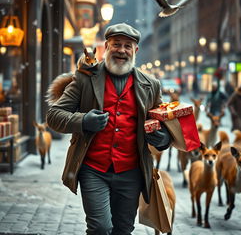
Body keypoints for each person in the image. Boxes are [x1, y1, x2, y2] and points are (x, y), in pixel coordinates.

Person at [46, 23, 172, 235]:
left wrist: (162, 138)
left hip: (132, 172)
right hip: (93, 169)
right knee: (100, 228)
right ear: (106, 47)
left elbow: (166, 127)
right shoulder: (85, 78)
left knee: (123, 229)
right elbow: (54, 116)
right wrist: (84, 120)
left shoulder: (151, 85)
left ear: (135, 50)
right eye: (116, 44)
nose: (121, 50)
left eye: (127, 46)